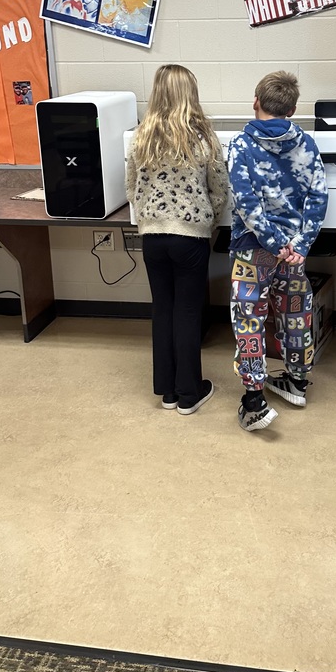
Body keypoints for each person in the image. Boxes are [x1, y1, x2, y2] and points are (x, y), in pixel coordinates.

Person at [227, 71, 328, 432]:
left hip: (255, 250)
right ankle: (297, 382)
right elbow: (318, 198)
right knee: (295, 313)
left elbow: (245, 203)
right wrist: (298, 246)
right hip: (293, 255)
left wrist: (273, 243)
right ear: (293, 108)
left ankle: (254, 399)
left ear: (256, 101)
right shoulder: (307, 144)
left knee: (250, 319)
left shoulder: (241, 145)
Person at [126, 64, 229, 415]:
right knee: (187, 312)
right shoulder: (202, 137)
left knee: (163, 310)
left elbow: (131, 186)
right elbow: (219, 188)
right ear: (191, 94)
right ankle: (189, 393)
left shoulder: (141, 136)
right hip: (190, 238)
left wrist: (146, 215)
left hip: (152, 237)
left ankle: (167, 391)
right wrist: (208, 220)